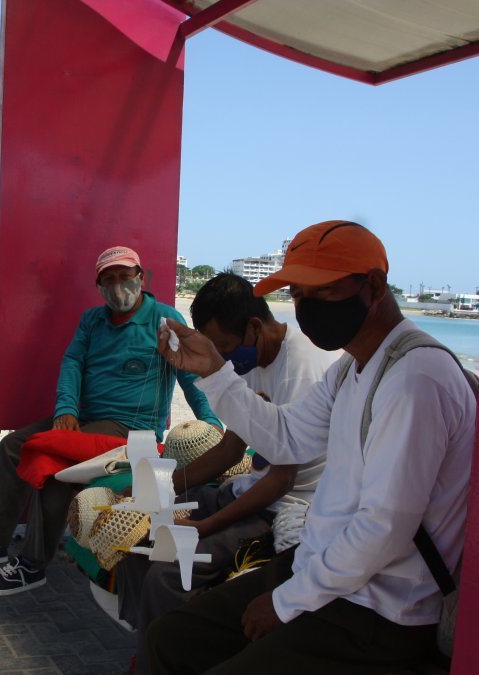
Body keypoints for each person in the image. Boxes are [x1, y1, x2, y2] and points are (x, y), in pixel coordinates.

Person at [148, 221, 476, 673]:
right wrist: (216, 374)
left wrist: (286, 603)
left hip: (379, 610)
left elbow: (383, 528)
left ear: (374, 286)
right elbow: (285, 435)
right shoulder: (351, 369)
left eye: (320, 293)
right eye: (298, 294)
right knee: (171, 638)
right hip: (325, 574)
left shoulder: (414, 380)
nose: (304, 308)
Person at [0, 245, 222, 596]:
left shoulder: (164, 319)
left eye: (125, 276)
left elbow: (189, 375)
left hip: (129, 430)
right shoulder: (92, 320)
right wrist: (65, 409)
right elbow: (72, 362)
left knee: (52, 465)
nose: (118, 286)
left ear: (142, 278)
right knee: (11, 446)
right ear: (99, 286)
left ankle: (32, 565)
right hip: (83, 419)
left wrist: (210, 422)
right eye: (109, 280)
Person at [115, 273, 337, 674]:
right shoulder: (250, 356)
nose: (221, 360)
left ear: (254, 327)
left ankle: (164, 659)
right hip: (251, 488)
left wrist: (205, 525)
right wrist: (161, 486)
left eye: (224, 349)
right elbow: (232, 447)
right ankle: (146, 644)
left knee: (165, 574)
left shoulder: (302, 369)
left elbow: (282, 478)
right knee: (135, 539)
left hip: (284, 506)